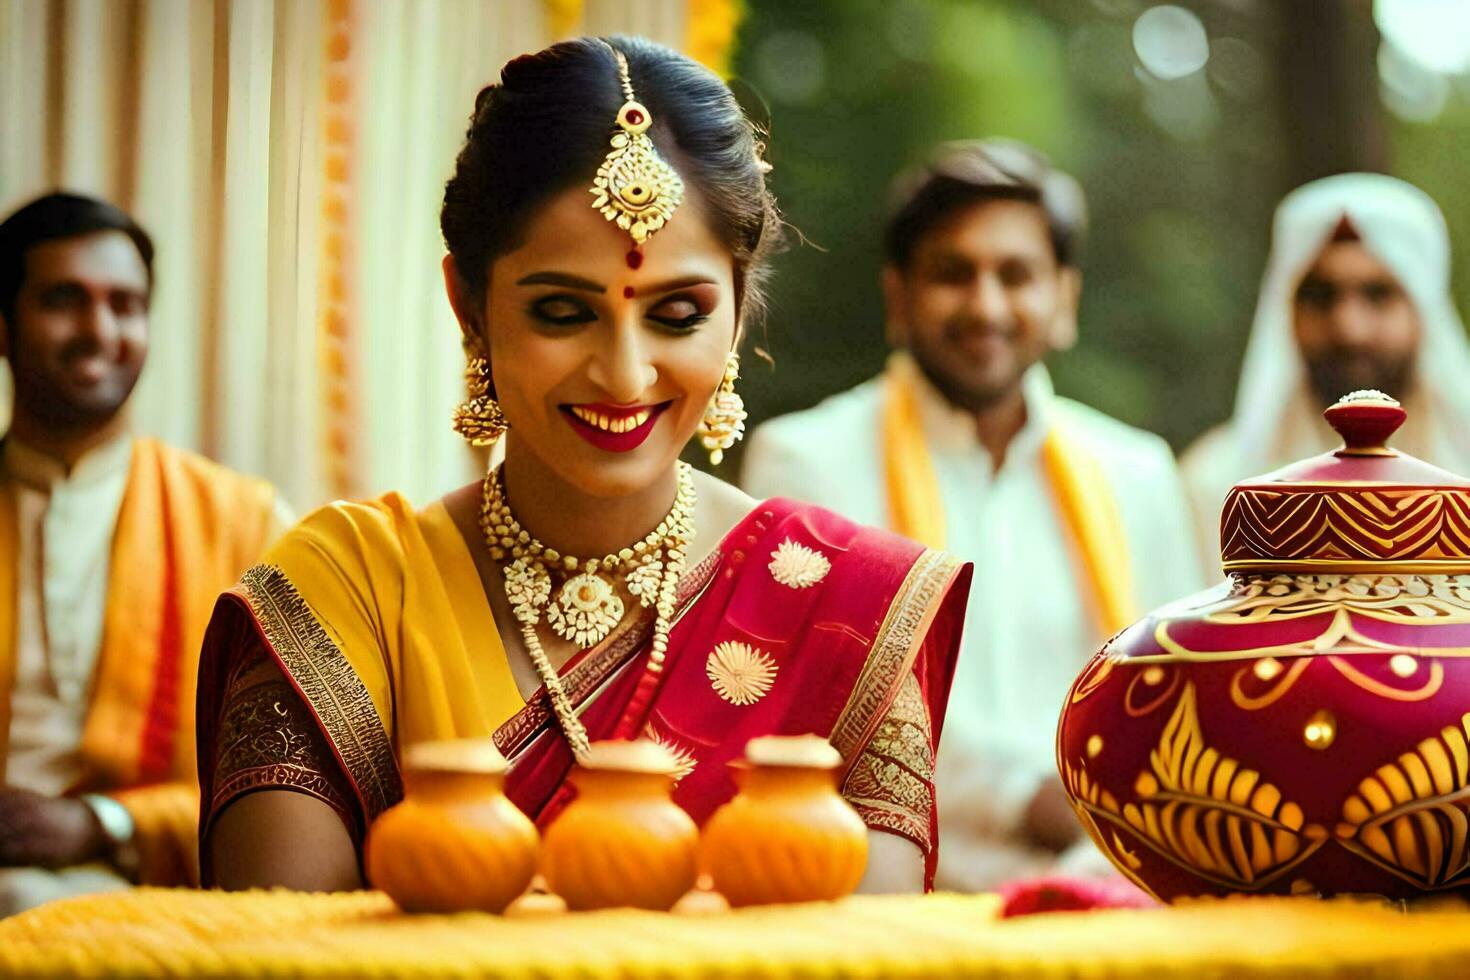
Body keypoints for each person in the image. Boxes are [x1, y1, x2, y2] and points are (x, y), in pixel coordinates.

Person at [196, 36, 972, 895]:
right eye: (563, 311)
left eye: (678, 314)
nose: (625, 374)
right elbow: (270, 947)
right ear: (470, 308)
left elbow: (873, 955)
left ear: (741, 309)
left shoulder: (848, 613)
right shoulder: (348, 599)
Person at [741, 140, 1201, 891]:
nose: (986, 306)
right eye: (954, 274)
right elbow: (812, 721)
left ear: (1065, 300)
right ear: (899, 297)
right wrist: (1031, 801)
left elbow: (1178, 707)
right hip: (890, 908)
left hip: (1112, 896)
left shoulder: (1138, 474)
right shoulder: (806, 465)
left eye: (1016, 275)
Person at [0, 193, 291, 914]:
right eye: (64, 301)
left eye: (125, 305)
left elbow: (289, 768)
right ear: (2, 327)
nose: (99, 330)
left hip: (152, 885)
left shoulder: (241, 521)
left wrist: (101, 822)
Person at [1182, 173, 1470, 571]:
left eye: (1377, 294)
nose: (1349, 328)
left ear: (1423, 310)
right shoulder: (1216, 486)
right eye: (1322, 295)